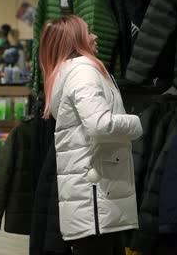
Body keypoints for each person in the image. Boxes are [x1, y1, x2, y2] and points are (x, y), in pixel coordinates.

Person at [39, 15, 143, 255]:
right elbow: (100, 125)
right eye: (87, 32)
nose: (95, 36)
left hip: (92, 192)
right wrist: (137, 123)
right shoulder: (83, 71)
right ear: (74, 40)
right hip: (96, 194)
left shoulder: (66, 72)